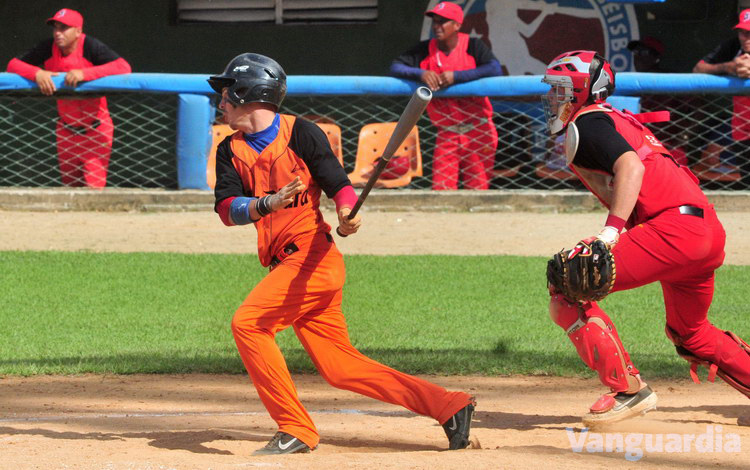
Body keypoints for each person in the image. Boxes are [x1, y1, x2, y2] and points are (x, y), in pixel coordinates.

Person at [208, 52, 476, 455]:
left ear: (250, 92)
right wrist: (266, 205)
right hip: (290, 266)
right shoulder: (231, 150)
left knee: (249, 324)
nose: (221, 99)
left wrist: (348, 212)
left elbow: (338, 184)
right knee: (340, 368)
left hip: (312, 261)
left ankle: (294, 427)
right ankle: (448, 405)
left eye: (228, 91)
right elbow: (227, 209)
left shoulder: (302, 133)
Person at [540, 50, 750, 427]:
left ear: (581, 91)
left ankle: (628, 390)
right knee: (691, 334)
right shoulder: (613, 120)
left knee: (568, 284)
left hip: (673, 229)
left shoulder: (587, 123)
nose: (552, 97)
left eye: (559, 89)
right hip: (703, 230)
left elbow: (630, 166)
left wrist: (610, 232)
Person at [6, 8, 131, 188]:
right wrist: (37, 73)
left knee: (93, 189)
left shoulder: (90, 46)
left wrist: (85, 73)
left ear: (78, 31)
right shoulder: (49, 47)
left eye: (64, 28)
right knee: (69, 189)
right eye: (55, 28)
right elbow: (13, 65)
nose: (58, 33)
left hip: (96, 130)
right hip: (66, 130)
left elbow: (123, 67)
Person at [391, 1, 502, 190]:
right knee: (441, 190)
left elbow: (494, 68)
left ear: (457, 25)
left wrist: (457, 77)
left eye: (443, 21)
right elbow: (396, 67)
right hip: (447, 131)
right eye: (435, 21)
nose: (437, 26)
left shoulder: (473, 45)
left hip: (479, 128)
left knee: (478, 189)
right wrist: (421, 73)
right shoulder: (425, 49)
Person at [692, 8, 750, 185]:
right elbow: (698, 69)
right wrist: (729, 67)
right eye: (743, 32)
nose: (747, 38)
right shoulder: (733, 46)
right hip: (743, 129)